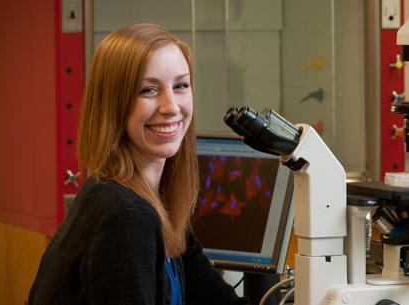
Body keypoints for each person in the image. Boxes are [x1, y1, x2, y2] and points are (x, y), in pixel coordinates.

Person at [28, 23, 247, 305]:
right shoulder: (126, 213)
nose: (171, 107)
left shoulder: (154, 201)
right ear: (114, 104)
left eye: (181, 85)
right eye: (148, 90)